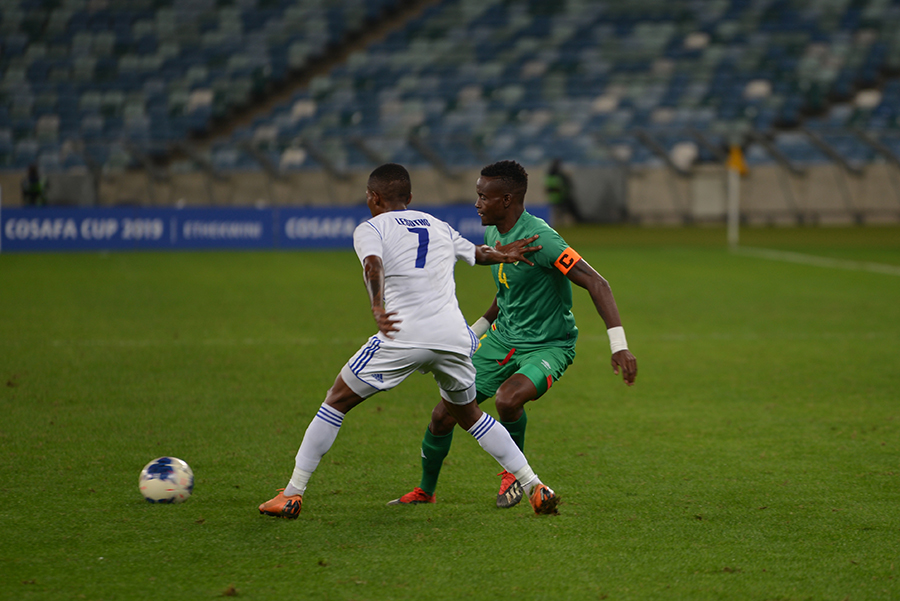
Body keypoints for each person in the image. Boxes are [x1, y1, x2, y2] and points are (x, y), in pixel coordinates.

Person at [259, 163, 561, 519]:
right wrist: (505, 254)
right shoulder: (436, 224)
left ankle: (292, 493)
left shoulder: (371, 227)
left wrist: (376, 304)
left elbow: (373, 265)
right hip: (453, 336)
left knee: (335, 401)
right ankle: (534, 485)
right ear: (410, 197)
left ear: (373, 198)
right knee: (471, 416)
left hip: (404, 333)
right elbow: (477, 253)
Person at [390, 160, 637, 509]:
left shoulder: (542, 239)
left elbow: (598, 283)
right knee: (443, 415)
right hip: (502, 340)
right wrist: (474, 332)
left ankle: (514, 476)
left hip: (548, 345)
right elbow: (507, 293)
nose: (477, 204)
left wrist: (619, 346)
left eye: (483, 197)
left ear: (506, 200)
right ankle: (425, 491)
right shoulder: (494, 233)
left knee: (508, 399)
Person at [545, 158, 580, 225]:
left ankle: (560, 223)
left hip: (556, 198)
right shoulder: (558, 176)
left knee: (559, 212)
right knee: (561, 211)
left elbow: (547, 189)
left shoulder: (550, 176)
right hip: (559, 197)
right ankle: (561, 223)